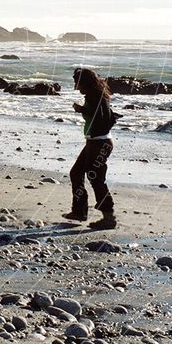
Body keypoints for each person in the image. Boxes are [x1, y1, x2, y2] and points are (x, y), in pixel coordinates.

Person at [62, 67, 117, 230]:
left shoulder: (96, 96)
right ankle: (79, 212)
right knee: (76, 173)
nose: (75, 85)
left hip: (100, 143)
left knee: (96, 178)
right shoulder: (96, 95)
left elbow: (99, 116)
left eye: (76, 82)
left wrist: (81, 109)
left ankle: (109, 218)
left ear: (83, 82)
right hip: (94, 142)